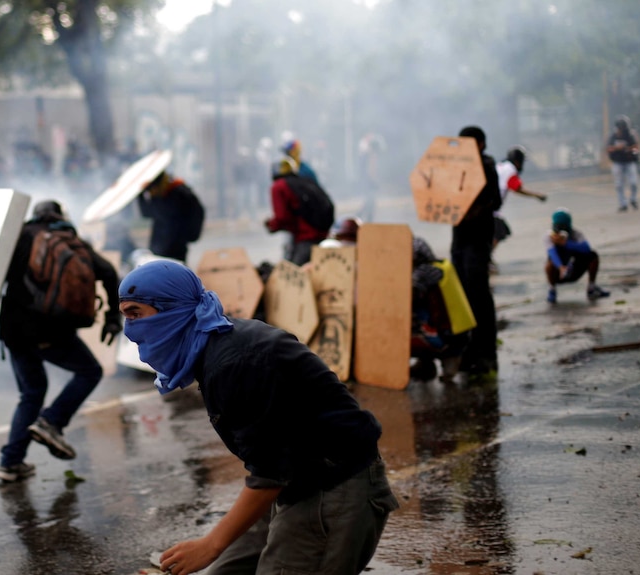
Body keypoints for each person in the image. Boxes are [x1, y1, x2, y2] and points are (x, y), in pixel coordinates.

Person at [117, 260, 399, 575]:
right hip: (297, 477)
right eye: (125, 316)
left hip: (334, 486)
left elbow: (270, 473)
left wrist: (211, 544)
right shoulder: (216, 344)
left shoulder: (234, 361)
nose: (130, 330)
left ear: (174, 308)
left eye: (135, 314)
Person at [0, 200, 122, 483]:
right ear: (60, 216)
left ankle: (11, 462)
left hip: (15, 329)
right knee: (90, 371)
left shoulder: (18, 237)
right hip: (52, 329)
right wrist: (114, 316)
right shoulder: (72, 240)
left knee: (31, 393)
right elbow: (109, 272)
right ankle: (52, 422)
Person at [451, 126, 502, 376]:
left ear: (481, 144)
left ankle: (487, 352)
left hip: (477, 239)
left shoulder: (487, 165)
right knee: (462, 294)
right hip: (459, 240)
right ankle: (470, 349)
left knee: (478, 294)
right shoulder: (456, 165)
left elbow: (495, 201)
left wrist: (472, 212)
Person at [410, 237, 469, 383]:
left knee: (407, 319)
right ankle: (428, 364)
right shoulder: (440, 266)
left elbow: (407, 298)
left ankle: (437, 363)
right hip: (457, 334)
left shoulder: (423, 273)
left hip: (446, 337)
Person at [265, 157, 331, 266]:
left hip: (305, 237)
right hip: (322, 233)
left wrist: (271, 225)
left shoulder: (279, 186)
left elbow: (282, 217)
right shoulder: (303, 181)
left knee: (294, 274)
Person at [491, 146, 547, 272]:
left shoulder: (501, 165)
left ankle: (486, 257)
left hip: (487, 206)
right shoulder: (510, 170)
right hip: (492, 209)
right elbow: (516, 188)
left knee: (495, 232)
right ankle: (486, 258)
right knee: (500, 230)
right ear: (518, 161)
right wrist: (536, 195)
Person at [137, 170, 205, 263]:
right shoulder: (160, 193)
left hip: (175, 247)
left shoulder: (179, 192)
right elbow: (147, 213)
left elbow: (162, 214)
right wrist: (140, 195)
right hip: (159, 246)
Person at [545, 208, 610, 304]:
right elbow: (552, 253)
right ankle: (552, 290)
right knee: (549, 264)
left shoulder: (575, 234)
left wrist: (566, 243)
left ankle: (591, 288)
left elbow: (586, 248)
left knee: (593, 255)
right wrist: (560, 267)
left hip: (575, 270)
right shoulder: (549, 236)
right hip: (559, 273)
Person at [606, 115, 640, 212]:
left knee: (633, 182)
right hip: (617, 163)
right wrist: (618, 148)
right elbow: (609, 148)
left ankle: (633, 199)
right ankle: (623, 204)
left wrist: (629, 149)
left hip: (629, 162)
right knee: (619, 184)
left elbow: (635, 147)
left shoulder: (630, 135)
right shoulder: (613, 136)